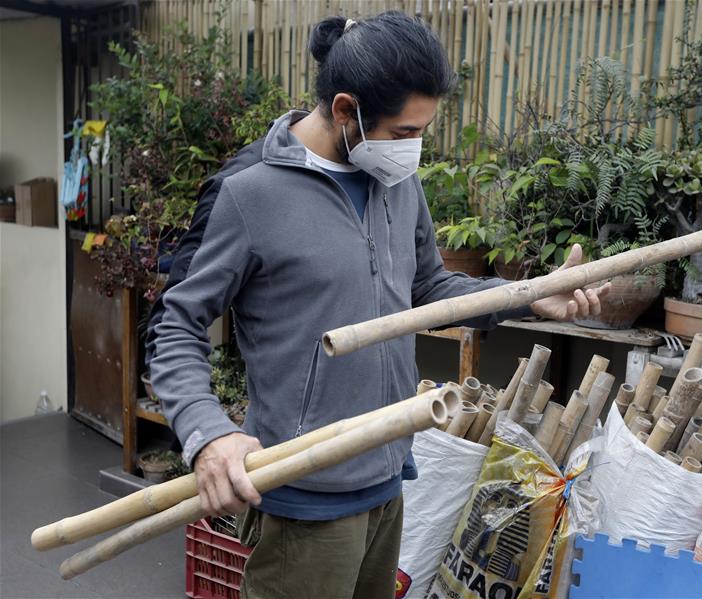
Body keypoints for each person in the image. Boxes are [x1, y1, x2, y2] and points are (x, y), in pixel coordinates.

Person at [147, 11, 607, 599]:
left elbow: (429, 292)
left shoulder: (395, 182)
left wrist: (529, 295)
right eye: (404, 133)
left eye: (422, 131)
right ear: (345, 110)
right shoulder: (249, 193)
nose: (413, 150)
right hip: (304, 502)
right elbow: (175, 325)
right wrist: (209, 436)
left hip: (388, 482)